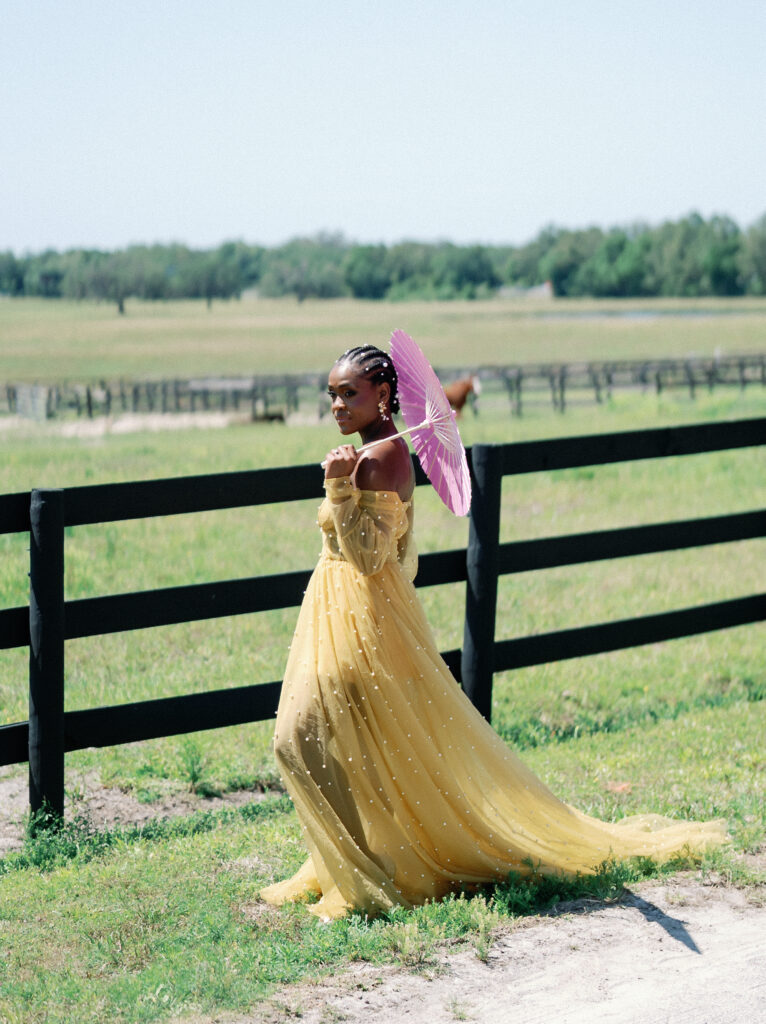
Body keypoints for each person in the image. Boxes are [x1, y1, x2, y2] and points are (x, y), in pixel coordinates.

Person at [260, 344, 727, 921]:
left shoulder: (380, 460)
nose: (336, 404)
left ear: (382, 395)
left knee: (300, 738)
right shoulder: (370, 454)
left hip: (361, 617)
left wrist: (338, 486)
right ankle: (352, 870)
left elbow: (371, 557)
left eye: (348, 392)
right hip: (336, 613)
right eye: (331, 393)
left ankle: (365, 882)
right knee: (343, 743)